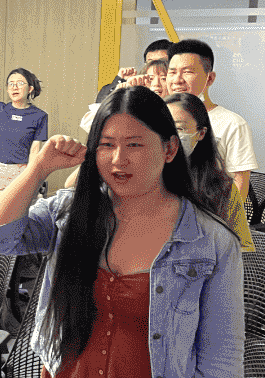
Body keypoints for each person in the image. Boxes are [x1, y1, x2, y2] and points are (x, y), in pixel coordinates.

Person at [0, 86, 244, 378]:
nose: (119, 159)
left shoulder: (211, 242)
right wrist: (38, 168)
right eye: (106, 144)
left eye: (135, 144)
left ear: (170, 149)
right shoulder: (71, 214)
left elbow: (220, 357)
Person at [167, 39, 258, 200]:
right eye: (172, 72)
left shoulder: (232, 124)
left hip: (208, 210)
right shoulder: (158, 117)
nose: (177, 80)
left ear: (209, 79)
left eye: (187, 72)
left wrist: (225, 215)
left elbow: (240, 184)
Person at [166, 92, 254, 252]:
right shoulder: (141, 182)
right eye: (164, 127)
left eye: (179, 128)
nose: (170, 136)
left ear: (200, 133)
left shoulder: (223, 189)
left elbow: (242, 248)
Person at [95, 39, 171, 104]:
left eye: (162, 61)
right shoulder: (136, 84)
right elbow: (101, 105)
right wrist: (121, 80)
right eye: (150, 62)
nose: (156, 66)